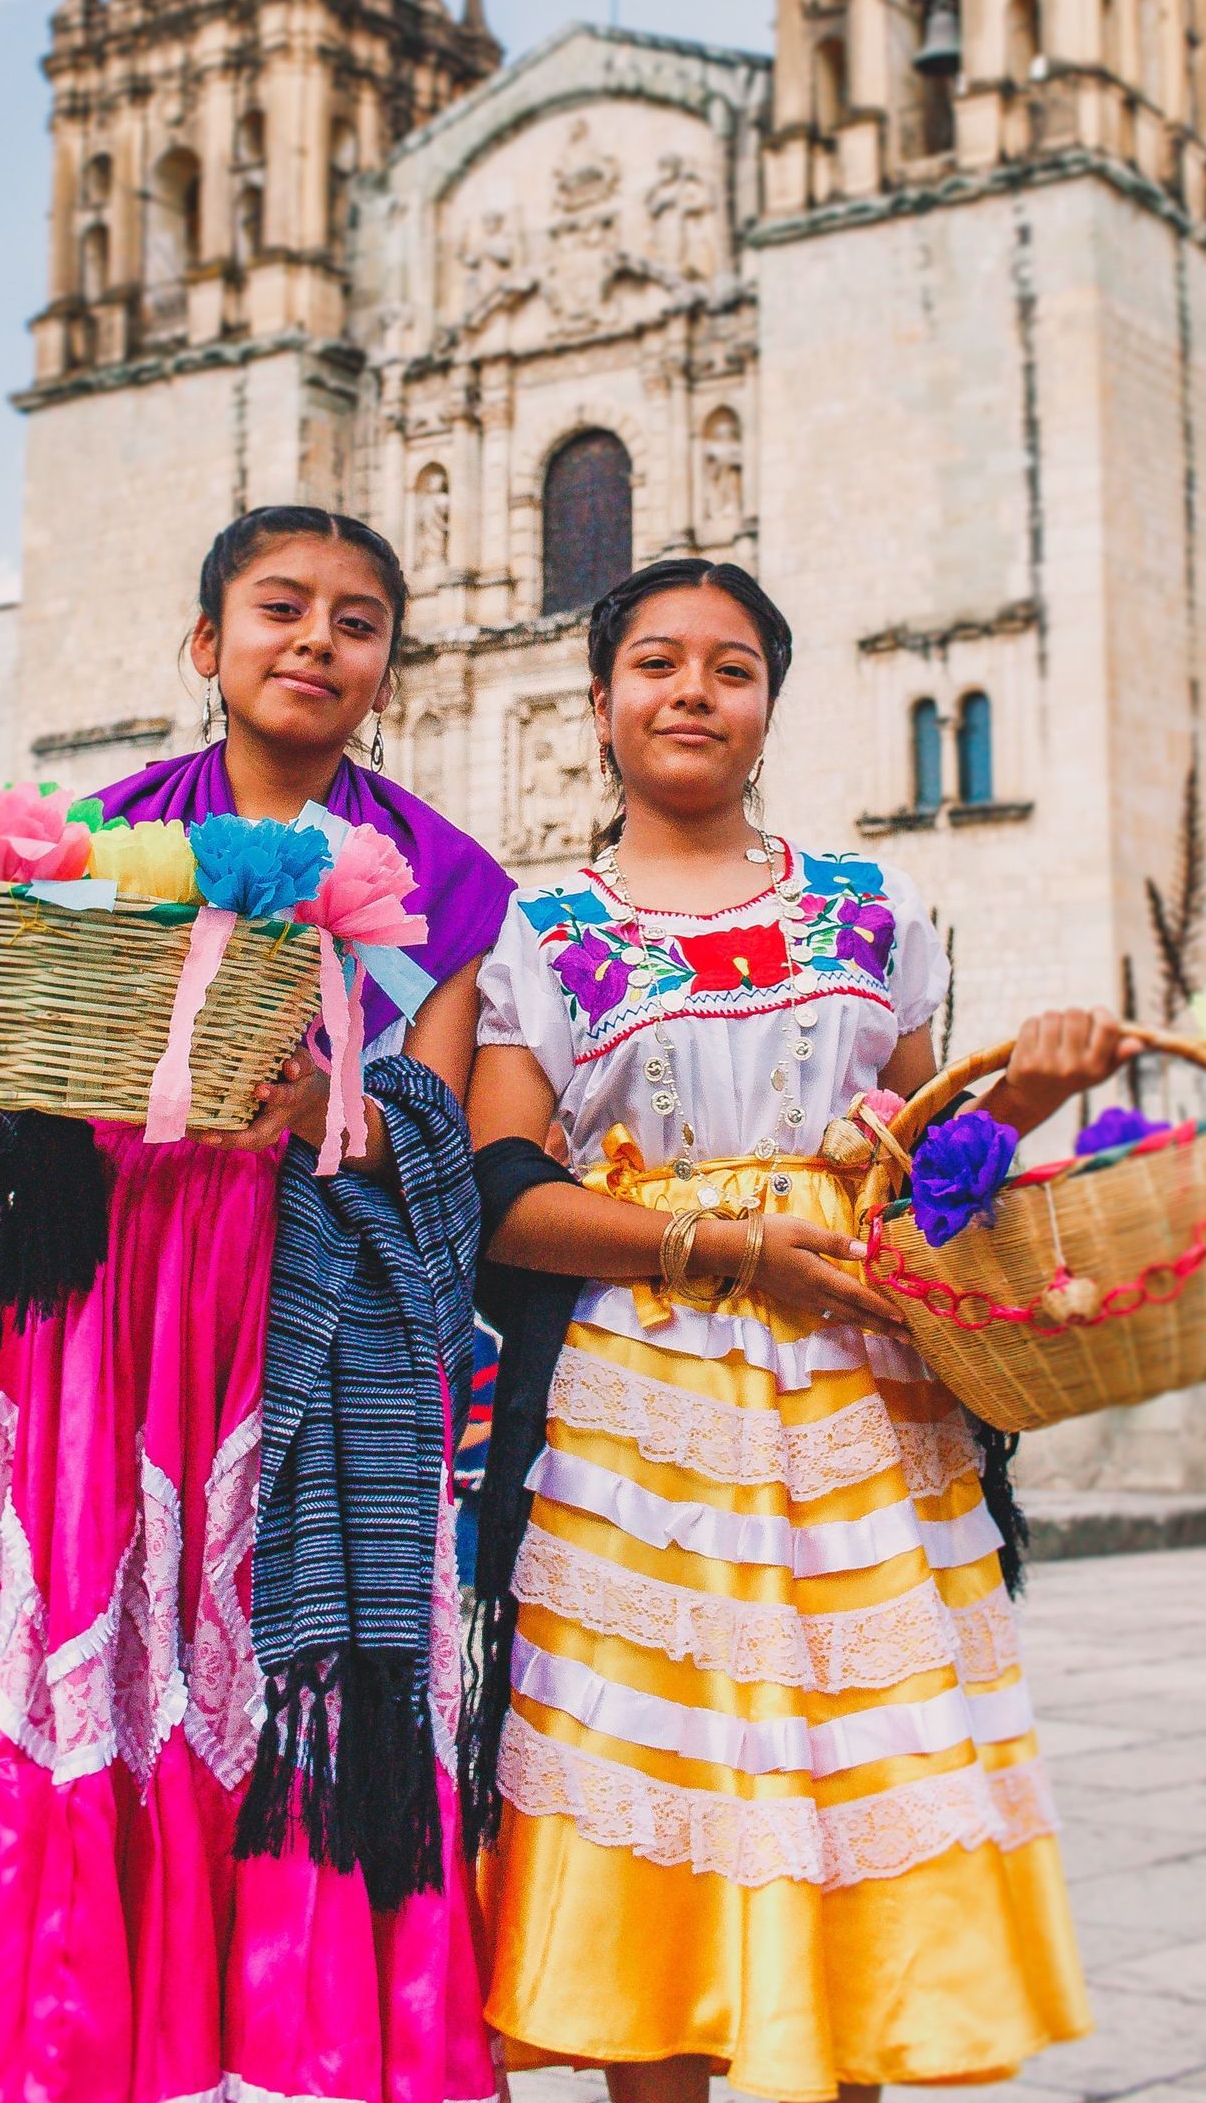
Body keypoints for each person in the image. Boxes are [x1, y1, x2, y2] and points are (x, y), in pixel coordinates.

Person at [0, 506, 512, 2103]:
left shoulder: (446, 882)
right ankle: (53, 2043)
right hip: (98, 1319)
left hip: (300, 1330)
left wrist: (328, 1100)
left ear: (389, 668)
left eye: (357, 620)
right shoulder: (82, 846)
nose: (317, 641)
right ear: (208, 646)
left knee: (276, 1700)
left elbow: (437, 1128)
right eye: (280, 608)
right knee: (76, 1667)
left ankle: (299, 2043)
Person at [466, 557, 1123, 2101]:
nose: (692, 690)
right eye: (656, 662)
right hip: (644, 1425)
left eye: (731, 666)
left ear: (769, 706)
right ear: (603, 702)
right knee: (661, 1787)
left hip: (861, 1408)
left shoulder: (868, 910)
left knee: (854, 1792)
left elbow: (929, 1175)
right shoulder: (541, 930)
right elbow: (504, 1196)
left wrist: (1023, 1092)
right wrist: (732, 1247)